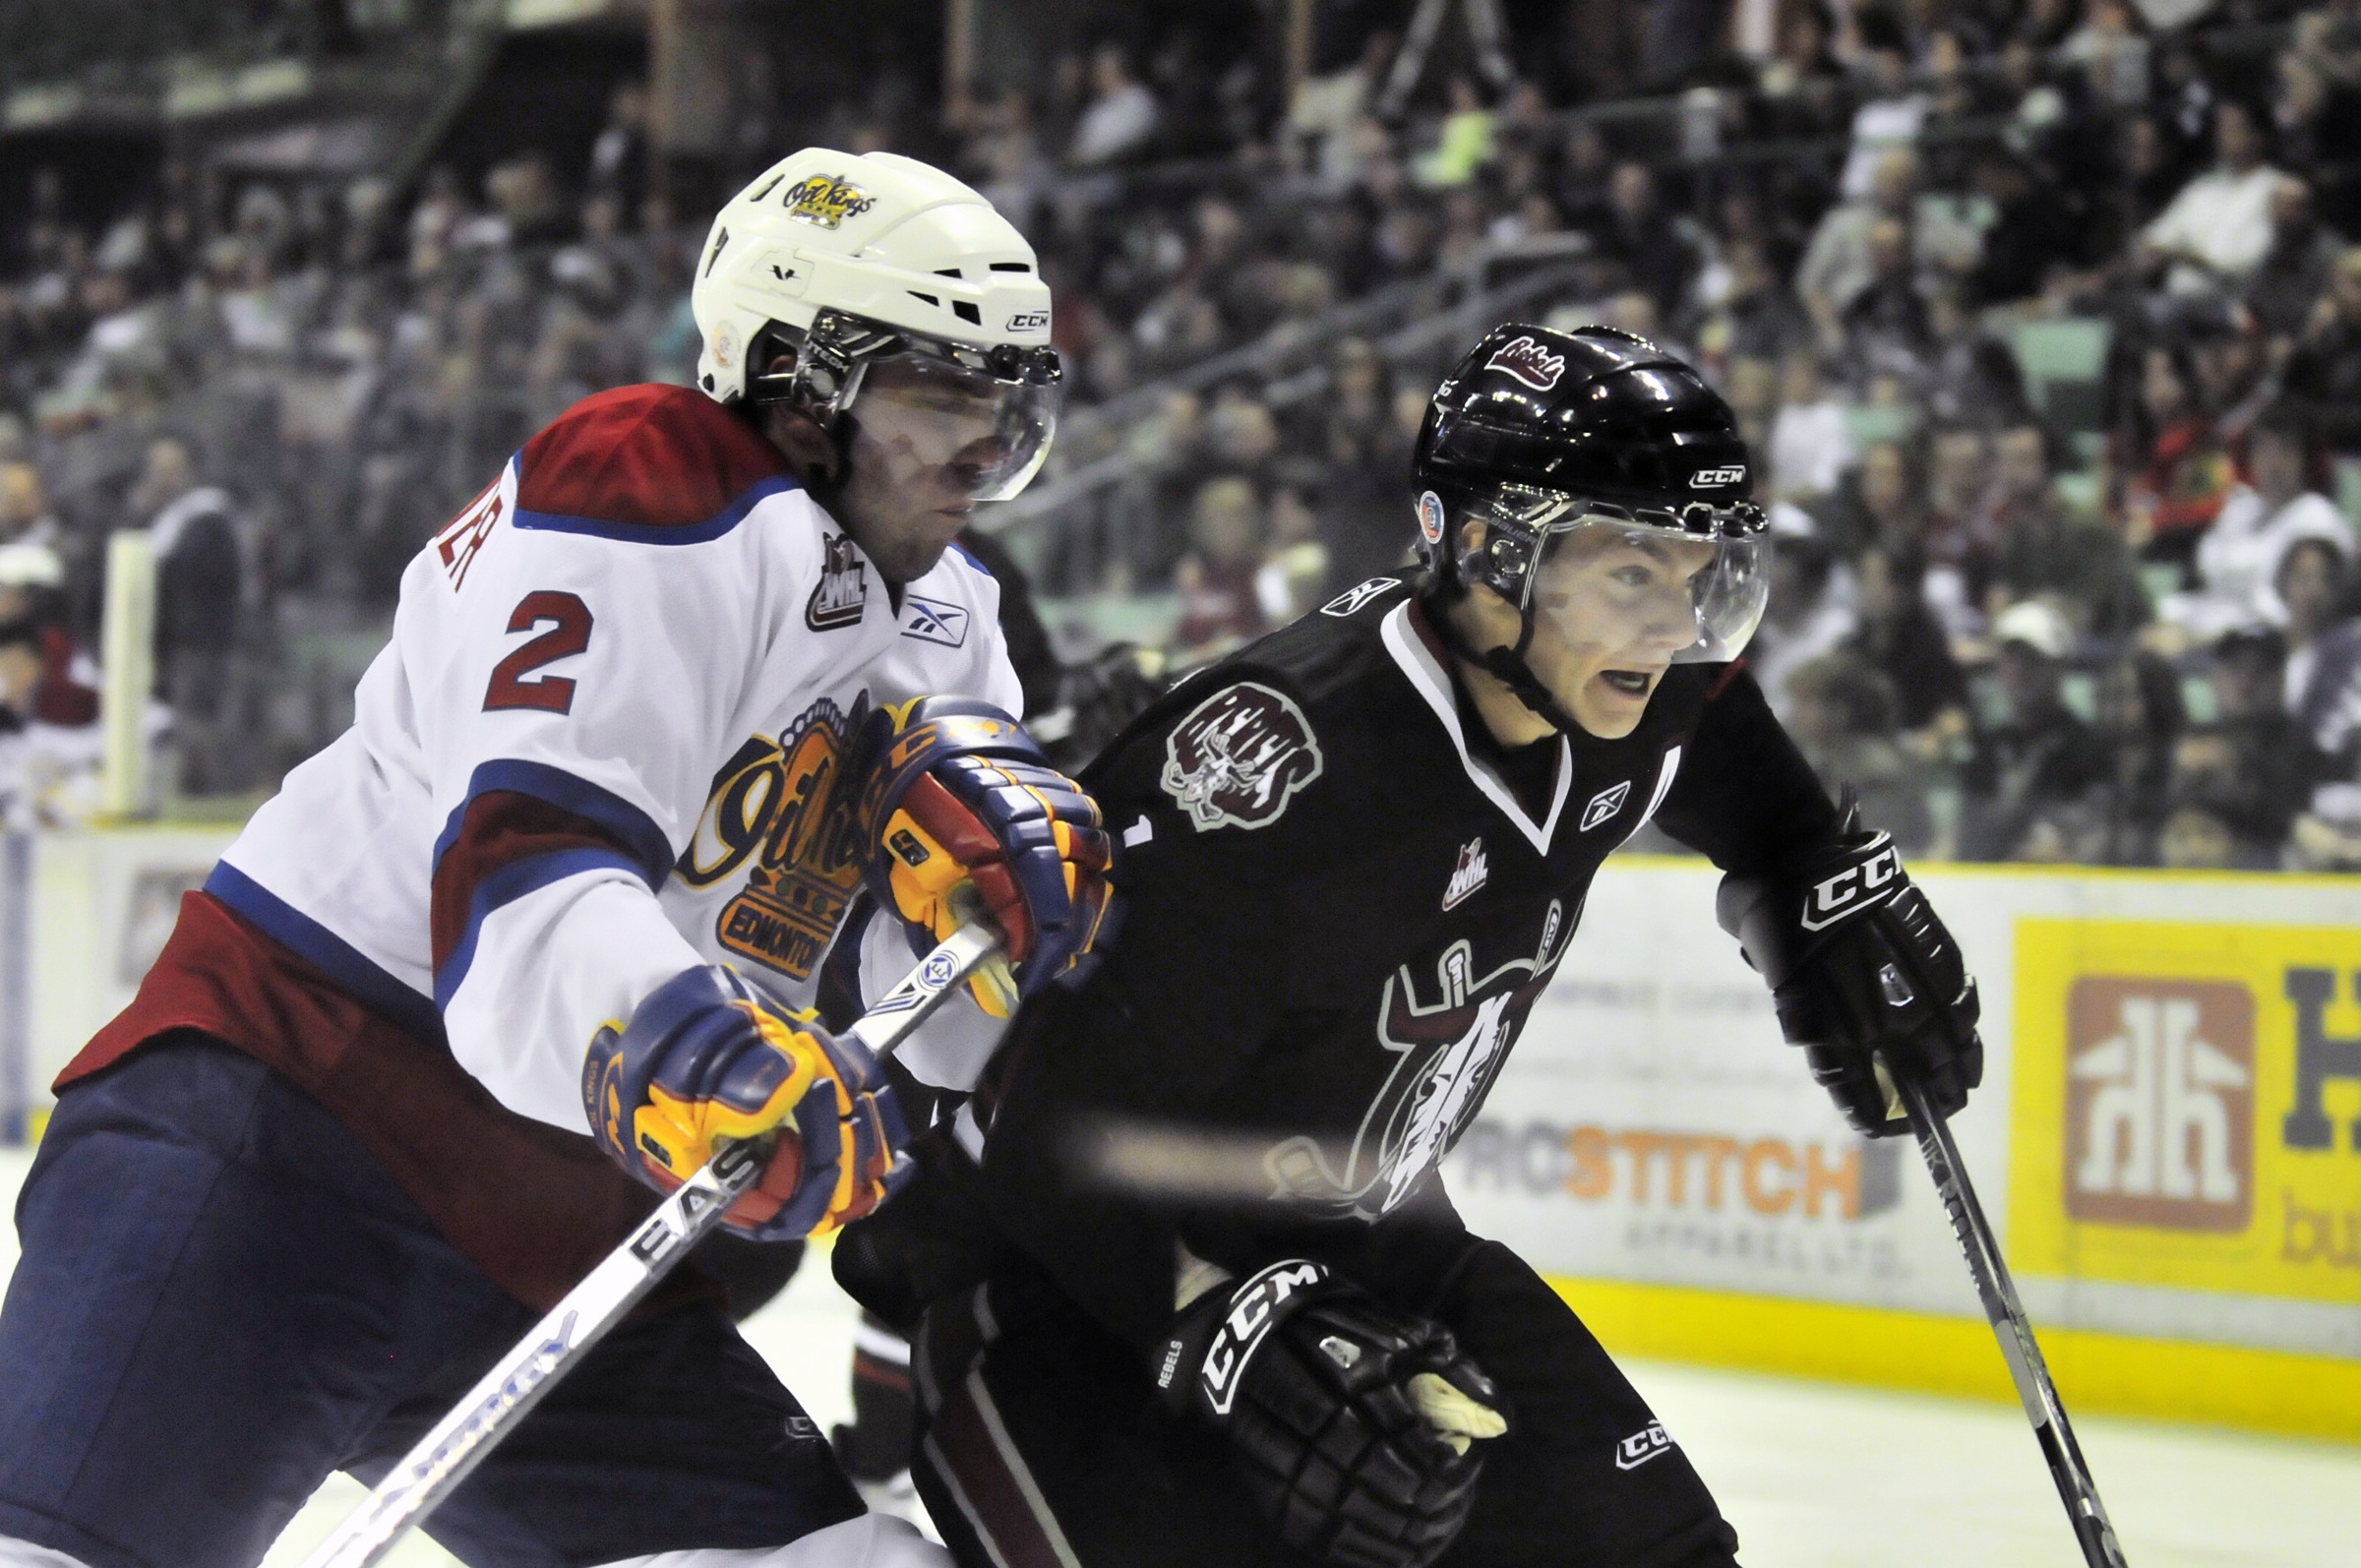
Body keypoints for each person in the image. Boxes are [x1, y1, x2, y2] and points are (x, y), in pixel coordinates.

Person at [0, 149, 1114, 1568]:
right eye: (940, 392)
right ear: (796, 382)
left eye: (1005, 401)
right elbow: (523, 885)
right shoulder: (651, 477)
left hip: (558, 1223)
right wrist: (701, 1048)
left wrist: (994, 923)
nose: (982, 444)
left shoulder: (955, 618)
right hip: (285, 1140)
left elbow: (936, 1033)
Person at [837, 325, 1984, 1568]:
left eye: (1702, 570)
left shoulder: (1629, 694)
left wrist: (1816, 880)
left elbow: (1731, 756)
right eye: (1634, 571)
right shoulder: (1282, 776)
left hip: (1375, 1249)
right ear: (1489, 554)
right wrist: (1218, 1318)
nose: (1675, 626)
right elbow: (1042, 1130)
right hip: (1071, 1315)